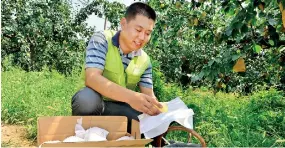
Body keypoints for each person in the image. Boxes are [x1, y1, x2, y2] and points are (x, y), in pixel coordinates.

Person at [71, 2, 163, 133]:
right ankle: (85, 137)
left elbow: (149, 95)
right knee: (86, 100)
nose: (142, 37)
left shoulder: (145, 60)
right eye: (138, 30)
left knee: (147, 120)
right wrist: (132, 97)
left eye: (148, 33)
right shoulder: (102, 40)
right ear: (124, 23)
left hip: (120, 108)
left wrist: (159, 110)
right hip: (97, 104)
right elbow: (92, 78)